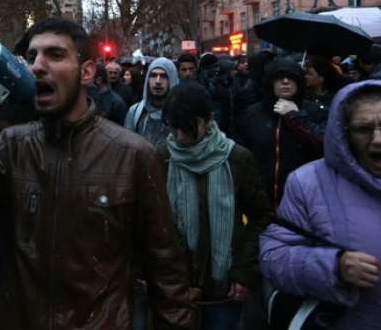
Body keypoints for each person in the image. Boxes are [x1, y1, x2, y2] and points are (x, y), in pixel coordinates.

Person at [0, 17, 196, 330]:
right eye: (32, 57)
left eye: (54, 55)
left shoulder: (134, 156)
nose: (37, 66)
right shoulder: (10, 147)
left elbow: (166, 272)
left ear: (88, 72)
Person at [260, 80, 381, 329]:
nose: (378, 139)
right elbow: (274, 257)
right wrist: (334, 268)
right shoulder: (307, 184)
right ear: (343, 132)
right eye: (363, 129)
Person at [162, 82, 273, 330]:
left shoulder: (237, 158)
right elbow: (152, 225)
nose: (180, 138)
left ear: (209, 119)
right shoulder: (163, 157)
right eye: (174, 128)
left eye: (189, 129)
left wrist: (244, 273)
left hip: (224, 288)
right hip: (176, 287)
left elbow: (260, 217)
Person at [237, 57, 325, 207]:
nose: (285, 81)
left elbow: (326, 146)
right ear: (270, 82)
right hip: (261, 203)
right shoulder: (252, 114)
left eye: (291, 77)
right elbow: (240, 155)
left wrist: (296, 118)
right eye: (279, 77)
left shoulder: (314, 112)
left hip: (304, 201)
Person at [124, 57, 179, 145]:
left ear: (172, 79)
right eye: (153, 75)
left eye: (163, 76)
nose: (158, 81)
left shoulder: (181, 113)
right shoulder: (135, 112)